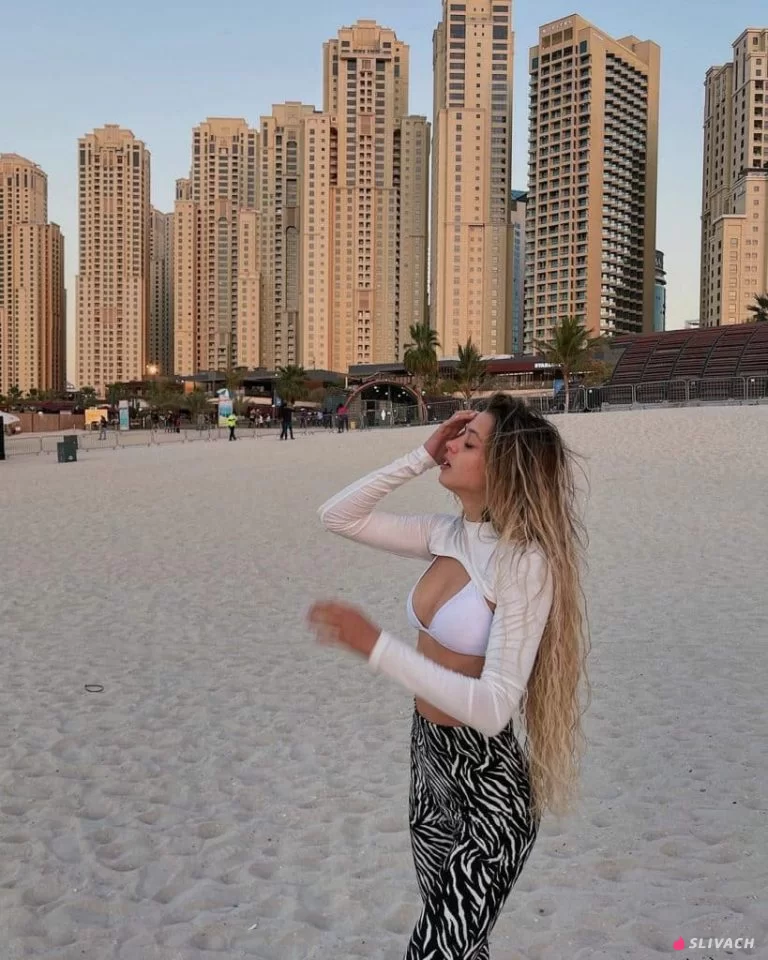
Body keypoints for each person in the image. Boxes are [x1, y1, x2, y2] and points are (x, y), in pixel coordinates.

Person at [308, 396, 590, 959]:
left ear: (504, 467)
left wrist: (375, 646)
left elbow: (492, 708)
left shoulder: (523, 563)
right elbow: (338, 515)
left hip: (489, 790)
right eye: (456, 436)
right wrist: (421, 453)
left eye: (470, 441)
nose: (453, 444)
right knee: (464, 949)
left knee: (435, 952)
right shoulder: (447, 533)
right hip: (430, 763)